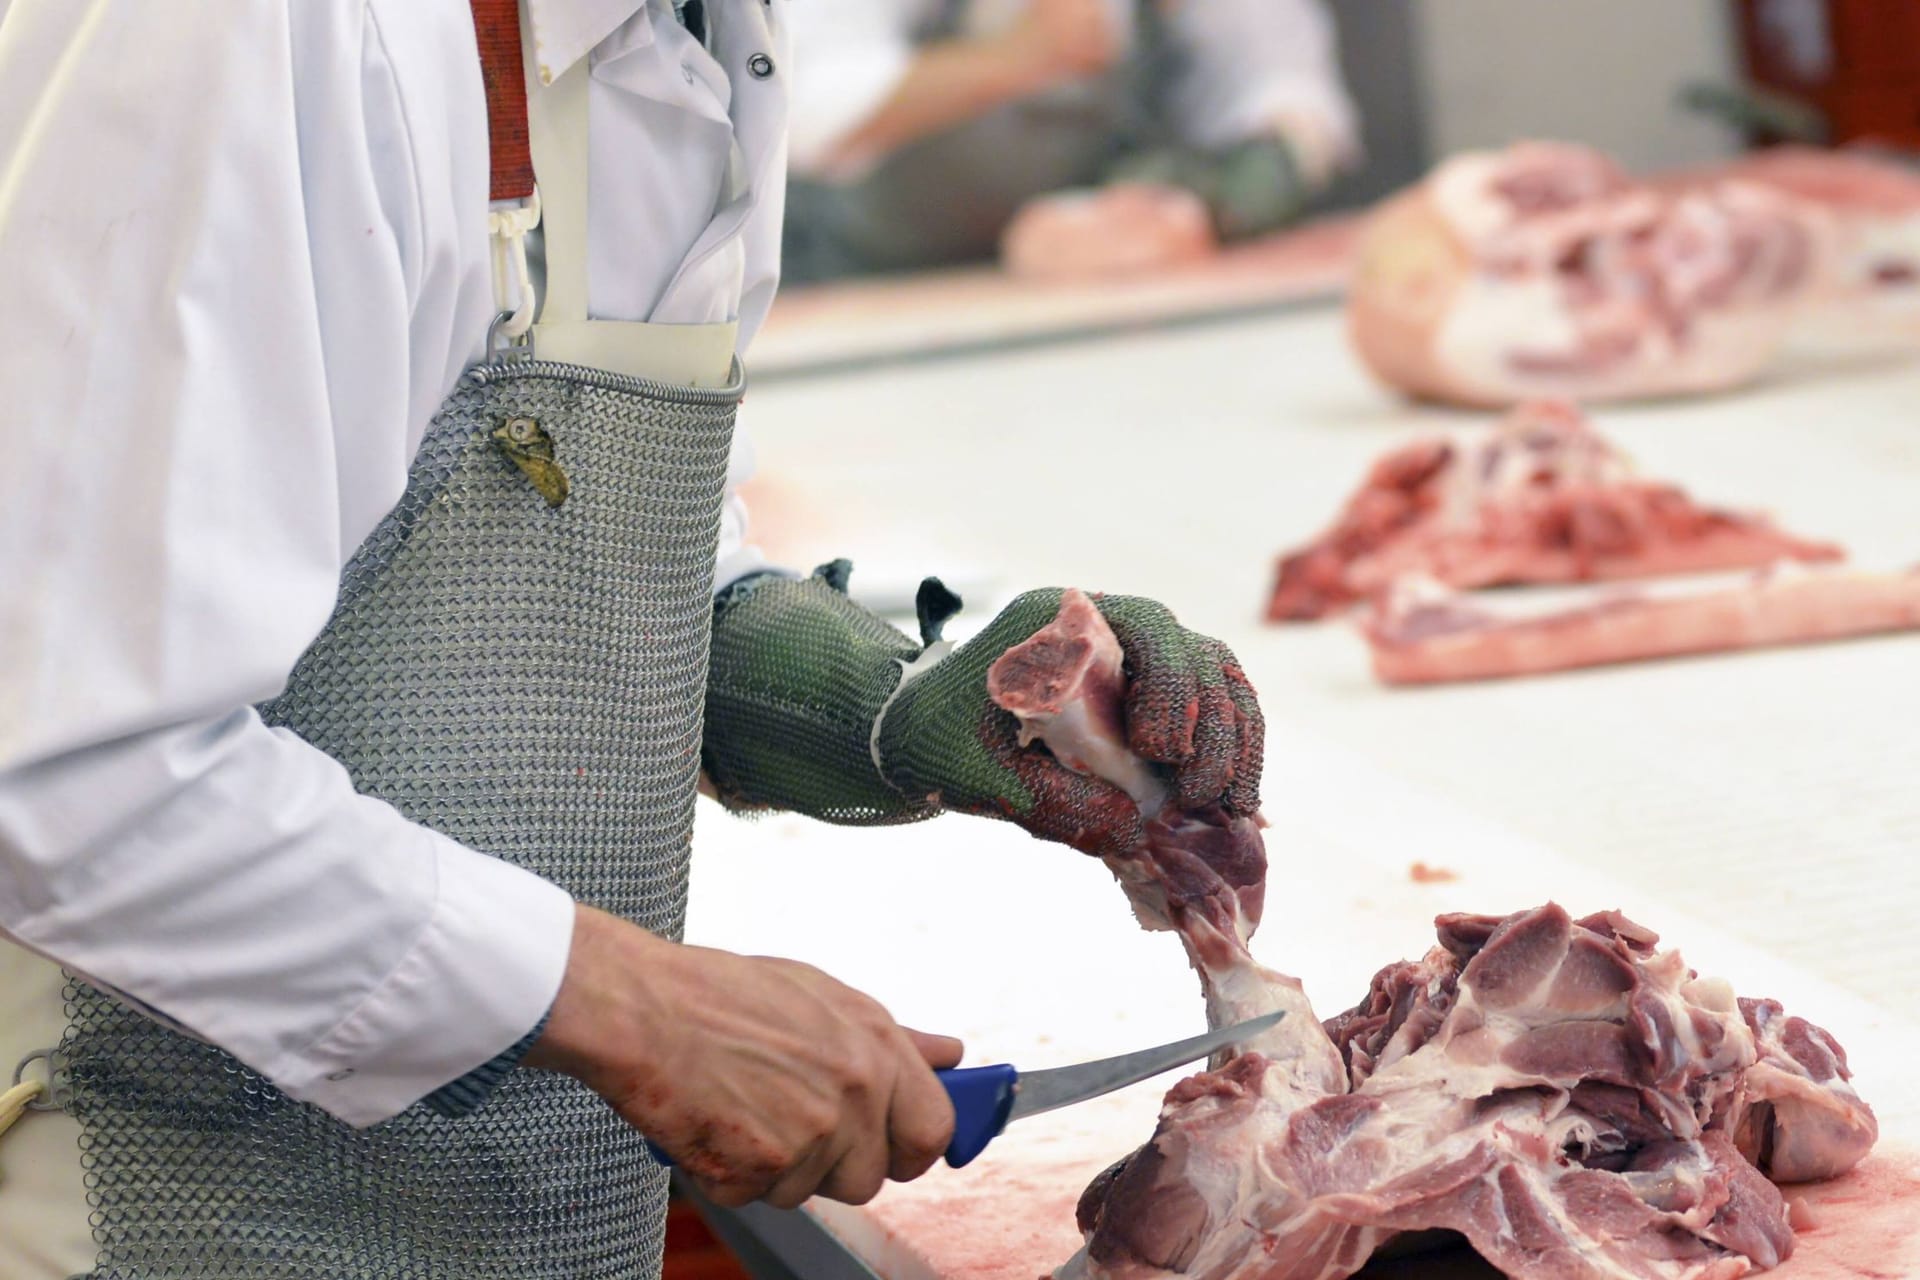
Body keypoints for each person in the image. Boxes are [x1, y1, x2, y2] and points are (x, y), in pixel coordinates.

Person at [0, 2, 1264, 1277]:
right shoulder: (239, 32)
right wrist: (636, 1005)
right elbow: (63, 765)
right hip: (163, 1208)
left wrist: (878, 704)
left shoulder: (703, 38)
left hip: (524, 1211)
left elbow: (571, 537)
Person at [782, 0, 1360, 280]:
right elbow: (795, 101)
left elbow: (1284, 83)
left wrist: (1250, 176)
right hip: (875, 294)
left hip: (1097, 296)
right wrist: (1014, 59)